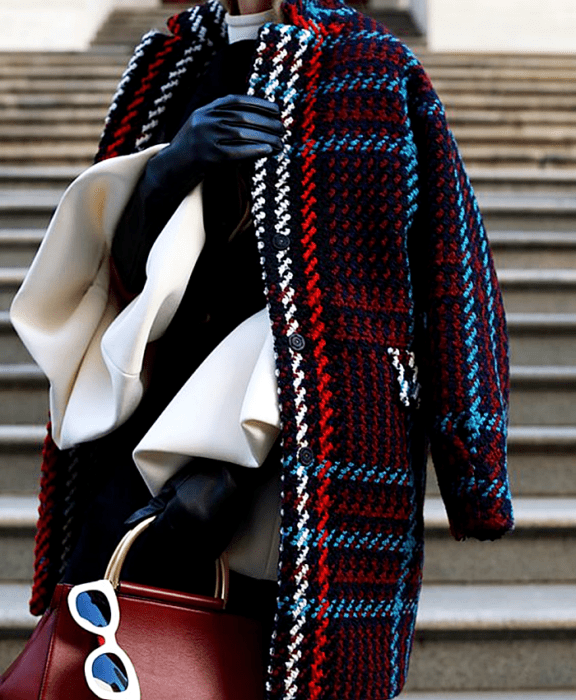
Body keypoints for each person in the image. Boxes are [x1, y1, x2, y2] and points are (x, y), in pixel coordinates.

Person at [10, 0, 514, 697]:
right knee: (114, 644)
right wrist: (169, 170)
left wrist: (474, 467)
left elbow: (453, 269)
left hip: (319, 454)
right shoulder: (167, 67)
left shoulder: (372, 68)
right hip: (152, 430)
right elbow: (114, 278)